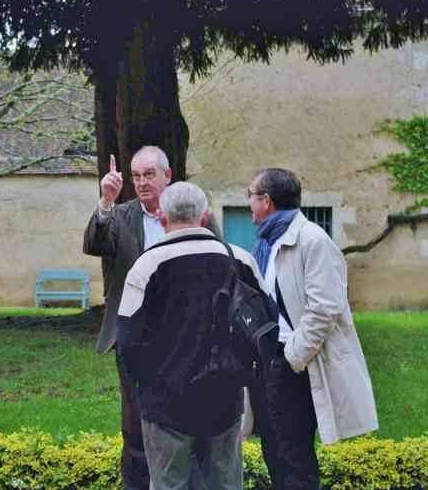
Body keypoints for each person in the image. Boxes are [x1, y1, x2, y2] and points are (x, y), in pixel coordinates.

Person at [83, 146, 220, 489]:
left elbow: (217, 267)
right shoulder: (121, 214)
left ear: (167, 175)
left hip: (189, 340)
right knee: (135, 426)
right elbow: (94, 242)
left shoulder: (198, 214)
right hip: (135, 339)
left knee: (190, 422)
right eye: (136, 176)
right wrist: (105, 201)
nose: (142, 183)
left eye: (149, 174)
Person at [247, 168, 378, 490]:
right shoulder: (268, 241)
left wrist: (292, 357)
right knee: (274, 451)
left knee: (294, 456)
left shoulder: (313, 240)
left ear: (267, 200)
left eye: (251, 195)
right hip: (267, 358)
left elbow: (325, 309)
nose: (248, 201)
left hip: (293, 363)